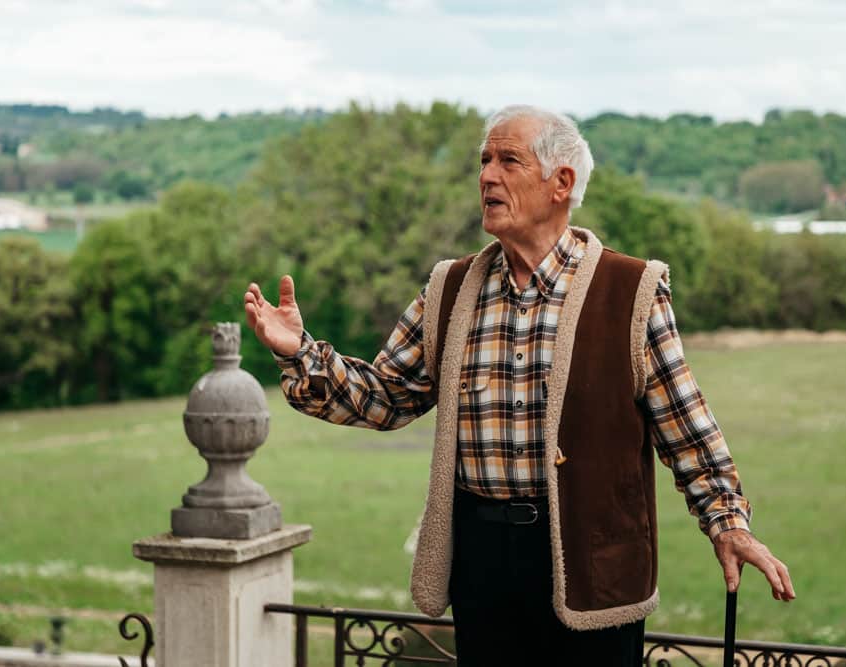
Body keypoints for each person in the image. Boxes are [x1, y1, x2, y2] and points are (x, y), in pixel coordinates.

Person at [244, 105, 795, 666]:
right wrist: (301, 352)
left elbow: (685, 426)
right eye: (484, 160)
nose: (487, 176)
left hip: (593, 564)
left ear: (562, 184)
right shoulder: (450, 287)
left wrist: (727, 522)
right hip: (483, 565)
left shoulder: (631, 290)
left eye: (509, 160)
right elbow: (387, 396)